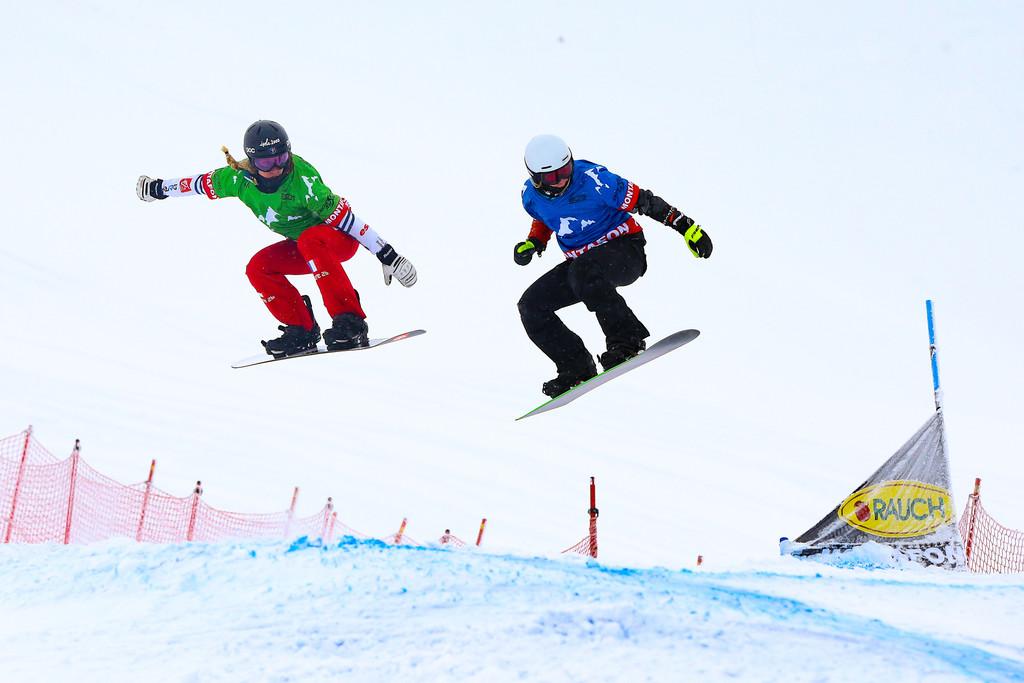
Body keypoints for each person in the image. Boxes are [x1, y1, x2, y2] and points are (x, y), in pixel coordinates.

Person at [137, 120, 417, 357]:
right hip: (306, 247)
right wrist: (160, 189)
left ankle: (350, 322)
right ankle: (302, 330)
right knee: (258, 267)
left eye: (281, 158)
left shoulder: (303, 181)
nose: (276, 168)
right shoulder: (237, 179)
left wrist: (389, 255)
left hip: (336, 240)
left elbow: (349, 222)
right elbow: (198, 184)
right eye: (266, 162)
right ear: (251, 162)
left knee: (309, 239)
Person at [515, 134, 712, 397]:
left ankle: (627, 340)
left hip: (625, 250)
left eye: (566, 169)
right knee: (531, 305)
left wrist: (686, 227)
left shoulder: (595, 180)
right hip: (581, 266)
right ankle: (576, 367)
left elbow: (645, 201)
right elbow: (544, 217)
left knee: (583, 271)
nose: (562, 179)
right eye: (553, 176)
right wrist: (534, 242)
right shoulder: (530, 197)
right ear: (536, 179)